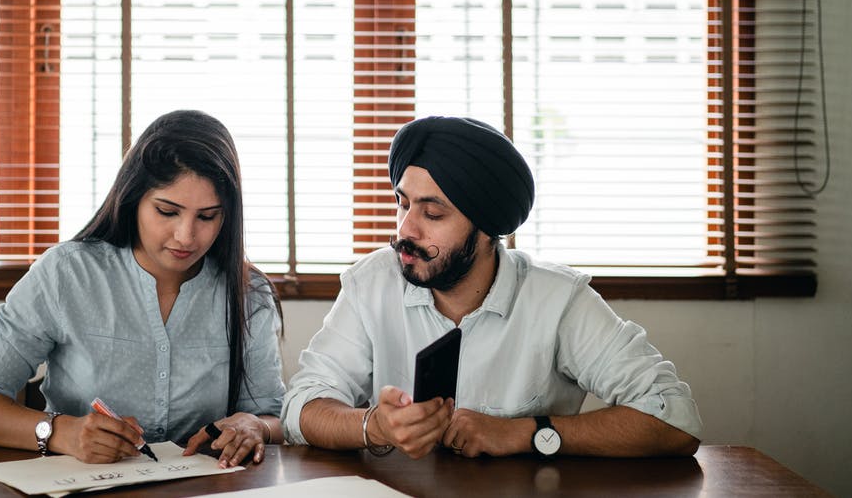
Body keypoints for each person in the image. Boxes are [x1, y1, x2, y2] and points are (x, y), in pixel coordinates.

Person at [281, 115, 702, 459]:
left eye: (433, 213)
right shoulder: (371, 283)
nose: (406, 229)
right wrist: (373, 425)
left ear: (486, 229)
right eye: (403, 203)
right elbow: (301, 408)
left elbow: (675, 419)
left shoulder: (557, 299)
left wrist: (527, 433)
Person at [0, 110, 285, 468]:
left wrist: (256, 425)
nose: (186, 236)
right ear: (133, 198)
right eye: (167, 211)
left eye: (207, 216)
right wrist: (62, 433)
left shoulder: (248, 294)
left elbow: (275, 417)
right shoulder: (66, 274)